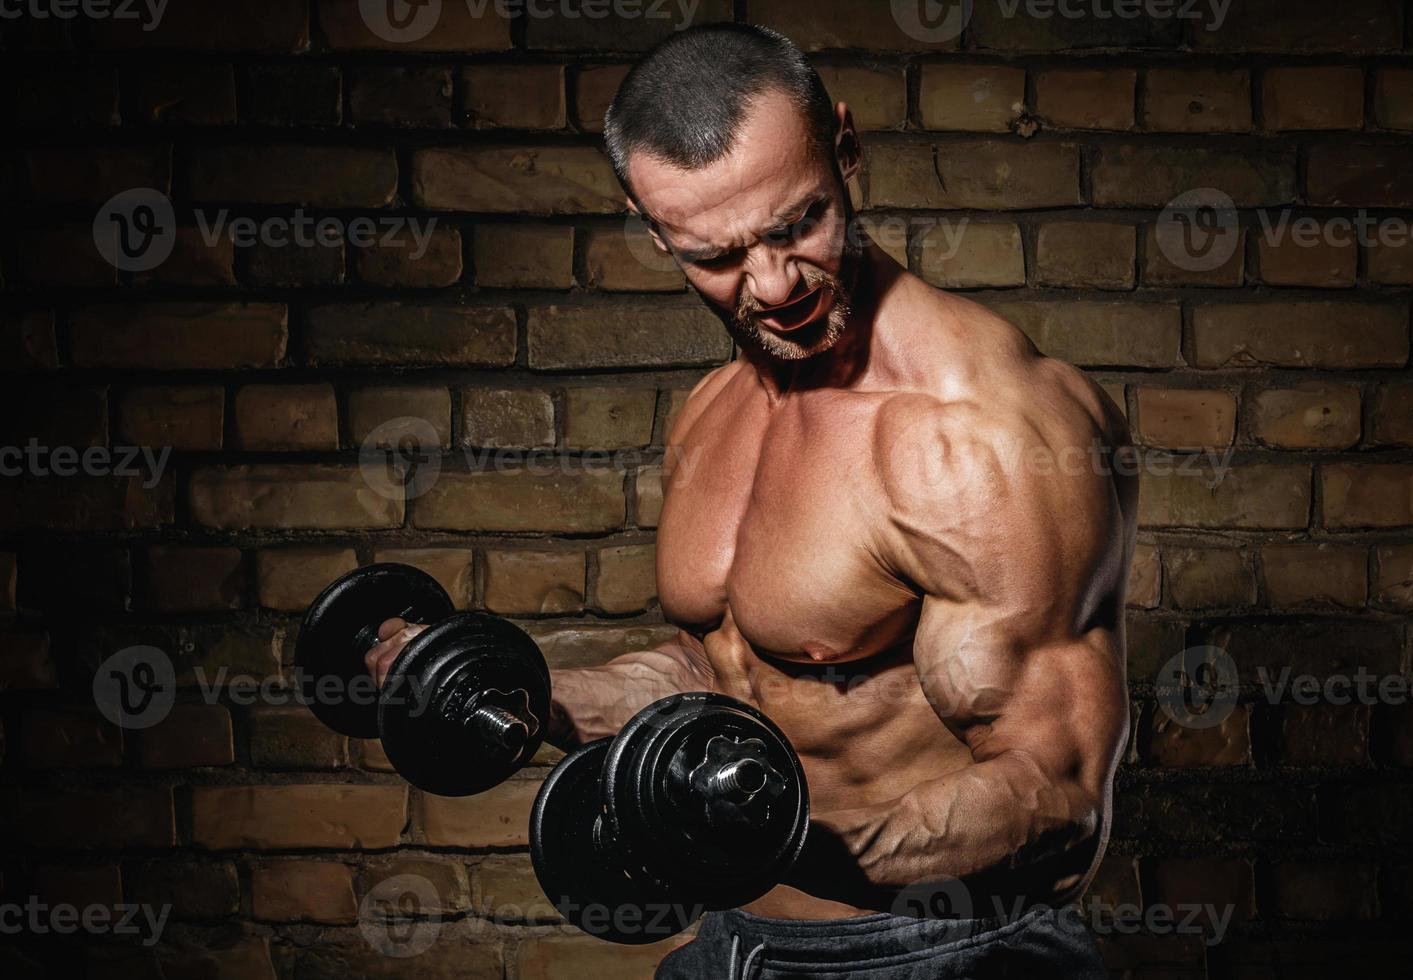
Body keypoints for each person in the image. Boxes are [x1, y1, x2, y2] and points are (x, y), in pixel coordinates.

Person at [368, 23, 1134, 979]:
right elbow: (723, 669)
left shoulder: (981, 436)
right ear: (655, 232)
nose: (773, 286)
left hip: (947, 955)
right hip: (734, 949)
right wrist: (520, 696)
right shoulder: (714, 409)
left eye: (797, 224)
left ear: (845, 148)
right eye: (715, 256)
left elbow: (1056, 797)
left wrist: (750, 834)